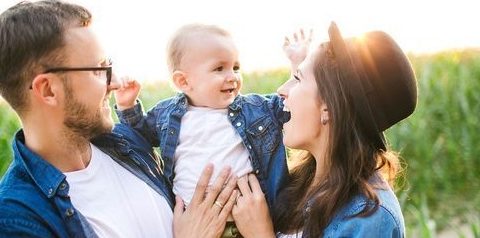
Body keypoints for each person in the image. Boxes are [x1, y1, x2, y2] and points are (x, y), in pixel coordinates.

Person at [0, 1, 237, 237]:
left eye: (109, 66)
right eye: (98, 70)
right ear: (48, 90)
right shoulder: (18, 219)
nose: (114, 82)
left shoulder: (128, 143)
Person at [231, 22, 417, 237]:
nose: (281, 90)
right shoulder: (299, 184)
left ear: (328, 108)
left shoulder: (369, 219)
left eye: (297, 79)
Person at [114, 24, 309, 222]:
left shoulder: (255, 109)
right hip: (194, 223)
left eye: (236, 67)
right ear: (183, 81)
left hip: (249, 220)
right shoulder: (168, 115)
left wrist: (298, 65)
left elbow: (289, 105)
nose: (232, 76)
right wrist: (127, 105)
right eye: (219, 68)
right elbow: (139, 136)